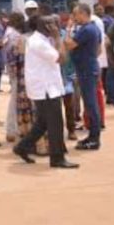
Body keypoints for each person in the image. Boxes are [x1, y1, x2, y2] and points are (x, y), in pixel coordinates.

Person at [12, 15, 79, 169]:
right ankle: (57, 158)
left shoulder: (41, 39)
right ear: (46, 26)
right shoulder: (39, 43)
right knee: (56, 123)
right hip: (45, 89)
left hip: (46, 87)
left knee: (42, 122)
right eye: (54, 24)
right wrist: (57, 38)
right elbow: (62, 59)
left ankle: (22, 147)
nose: (57, 26)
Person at [66, 3, 103, 151]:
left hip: (86, 70)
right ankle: (93, 136)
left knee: (90, 104)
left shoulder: (86, 29)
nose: (74, 17)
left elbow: (69, 45)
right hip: (89, 67)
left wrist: (68, 29)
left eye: (75, 14)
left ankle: (94, 138)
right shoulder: (93, 28)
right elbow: (99, 50)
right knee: (90, 104)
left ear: (83, 13)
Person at [3, 12, 31, 144]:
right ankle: (12, 130)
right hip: (17, 71)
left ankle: (15, 129)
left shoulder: (10, 33)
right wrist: (15, 71)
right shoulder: (14, 35)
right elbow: (14, 55)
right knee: (15, 101)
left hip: (14, 70)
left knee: (16, 101)